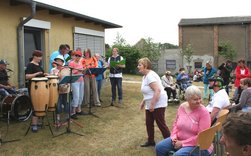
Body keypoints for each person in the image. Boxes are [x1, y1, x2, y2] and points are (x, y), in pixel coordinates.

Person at [155, 85, 212, 156]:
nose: (199, 101)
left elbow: (202, 136)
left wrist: (183, 143)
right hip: (179, 139)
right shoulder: (182, 107)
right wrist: (174, 137)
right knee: (159, 147)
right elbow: (176, 124)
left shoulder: (204, 112)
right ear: (187, 99)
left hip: (197, 144)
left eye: (200, 98)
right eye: (195, 99)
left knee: (178, 155)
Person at [138, 57, 170, 147]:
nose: (138, 66)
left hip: (158, 103)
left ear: (145, 66)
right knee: (149, 122)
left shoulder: (150, 76)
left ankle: (171, 142)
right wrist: (143, 102)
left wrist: (152, 104)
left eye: (140, 65)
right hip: (150, 102)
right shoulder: (145, 77)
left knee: (161, 123)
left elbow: (157, 90)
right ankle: (151, 141)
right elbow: (148, 92)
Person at [25, 50, 48, 132]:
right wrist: (36, 74)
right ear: (35, 56)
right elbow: (27, 76)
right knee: (35, 105)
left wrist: (45, 74)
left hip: (41, 88)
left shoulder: (38, 64)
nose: (41, 59)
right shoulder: (30, 65)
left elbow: (41, 73)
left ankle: (38, 122)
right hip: (34, 88)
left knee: (40, 104)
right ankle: (34, 124)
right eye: (39, 57)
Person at [50, 55, 69, 126]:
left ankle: (67, 117)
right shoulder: (53, 70)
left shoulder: (65, 69)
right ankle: (58, 118)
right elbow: (51, 78)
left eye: (59, 61)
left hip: (64, 88)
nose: (58, 62)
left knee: (65, 102)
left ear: (62, 62)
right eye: (57, 60)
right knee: (58, 103)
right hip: (55, 88)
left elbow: (67, 77)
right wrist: (56, 74)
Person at [68, 51, 85, 119]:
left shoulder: (80, 62)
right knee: (76, 96)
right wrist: (78, 71)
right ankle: (73, 112)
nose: (78, 57)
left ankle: (79, 109)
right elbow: (70, 72)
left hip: (81, 80)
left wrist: (83, 70)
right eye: (76, 55)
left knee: (81, 95)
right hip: (75, 81)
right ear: (74, 56)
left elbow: (82, 70)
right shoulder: (71, 63)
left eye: (79, 56)